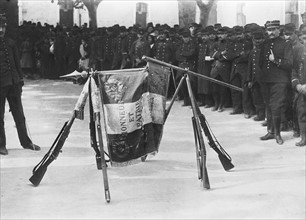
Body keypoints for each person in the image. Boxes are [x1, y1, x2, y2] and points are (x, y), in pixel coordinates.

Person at [0, 13, 40, 155]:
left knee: (19, 114)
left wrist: (20, 81)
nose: (1, 30)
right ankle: (1, 145)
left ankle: (26, 142)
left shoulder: (10, 43)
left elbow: (17, 64)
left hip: (14, 83)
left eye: (3, 27)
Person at [259, 20, 293, 145]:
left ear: (279, 30)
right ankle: (270, 132)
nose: (271, 32)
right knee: (268, 105)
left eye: (274, 30)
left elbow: (289, 63)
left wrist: (275, 60)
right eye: (269, 30)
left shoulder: (285, 44)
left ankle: (278, 134)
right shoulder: (265, 44)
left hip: (280, 80)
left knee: (276, 106)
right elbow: (261, 62)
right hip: (266, 80)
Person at [291, 29, 306, 146]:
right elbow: (294, 70)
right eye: (303, 39)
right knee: (301, 112)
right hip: (302, 90)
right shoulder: (298, 52)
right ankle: (304, 137)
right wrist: (297, 85)